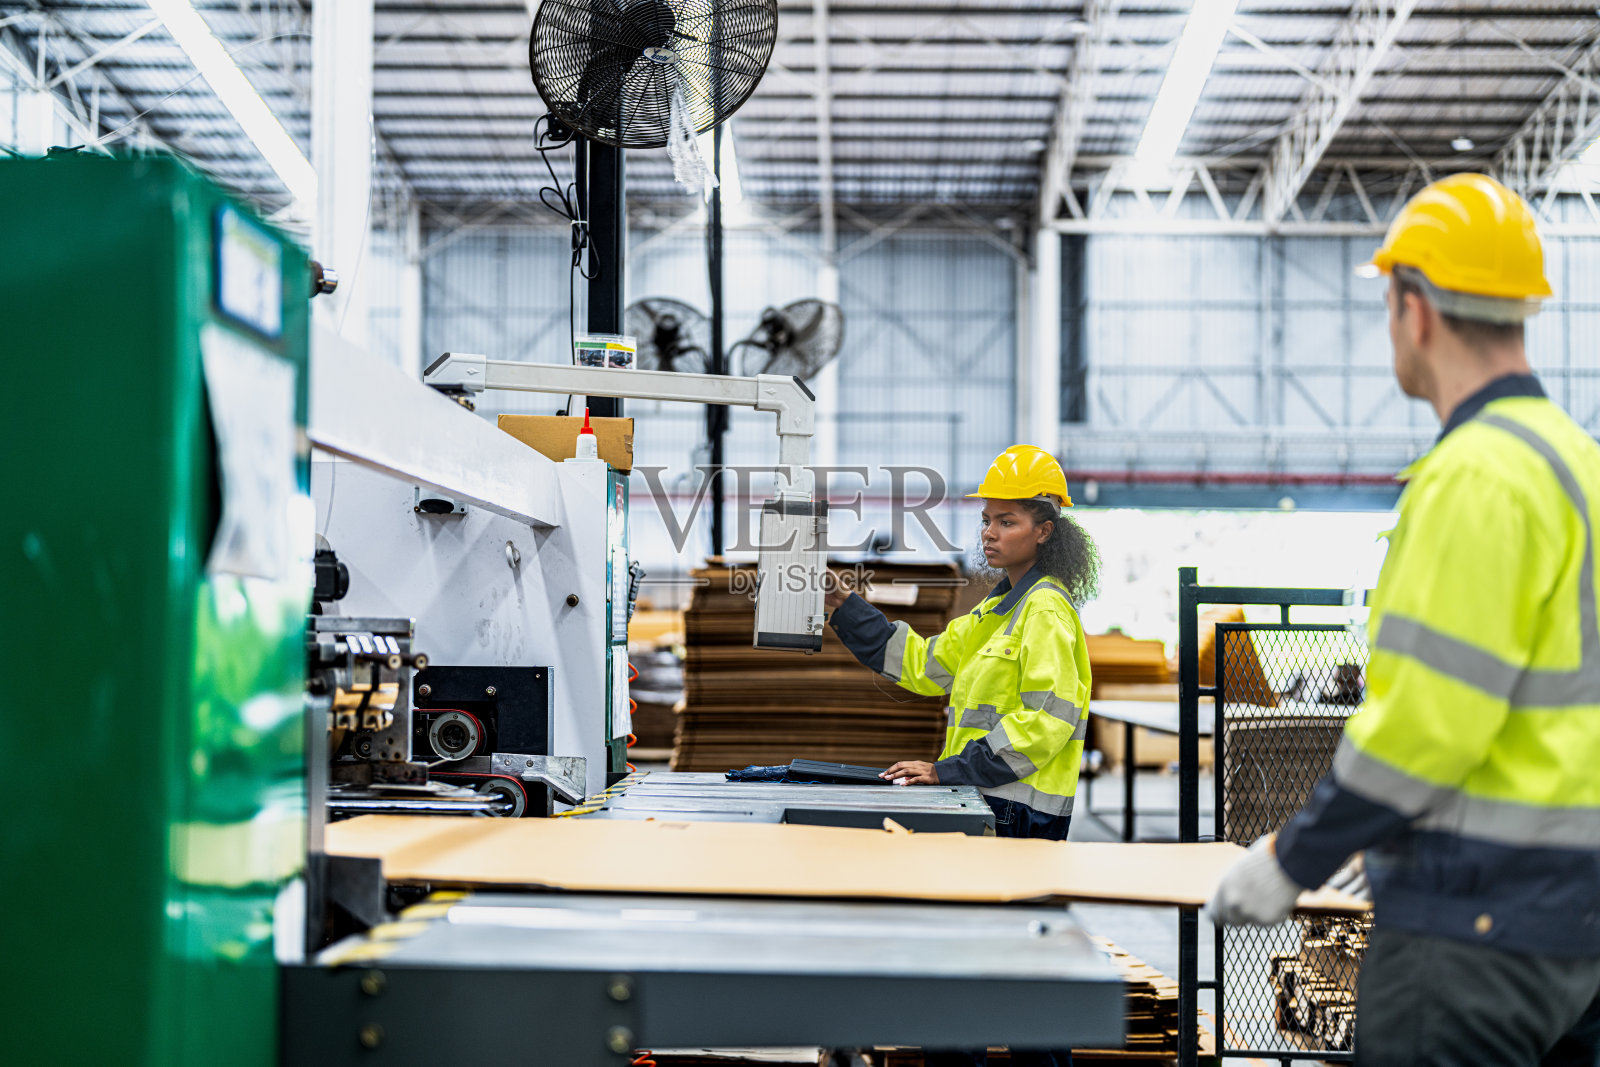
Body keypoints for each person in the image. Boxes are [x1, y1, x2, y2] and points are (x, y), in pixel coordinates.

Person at [1208, 173, 1600, 1067]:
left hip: (1473, 930)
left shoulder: (1473, 475)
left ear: (1413, 307)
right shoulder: (1581, 464)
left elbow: (1426, 729)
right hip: (1576, 927)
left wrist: (1289, 861)